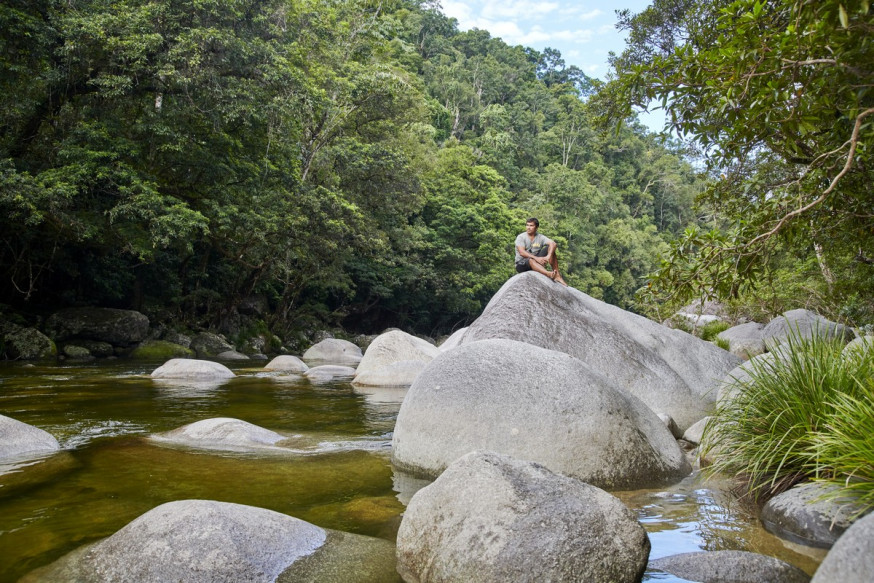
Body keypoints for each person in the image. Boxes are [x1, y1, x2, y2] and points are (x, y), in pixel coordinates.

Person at [514, 218, 567, 286]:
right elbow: (522, 252)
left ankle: (557, 275)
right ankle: (548, 274)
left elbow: (553, 244)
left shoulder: (540, 237)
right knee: (530, 260)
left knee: (550, 248)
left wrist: (548, 256)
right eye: (527, 225)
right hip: (522, 264)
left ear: (536, 227)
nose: (528, 228)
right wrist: (537, 259)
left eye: (531, 225)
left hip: (537, 262)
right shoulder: (521, 237)